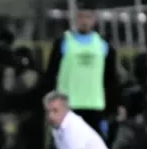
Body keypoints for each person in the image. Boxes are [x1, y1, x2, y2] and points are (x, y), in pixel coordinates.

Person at [43, 9, 120, 138]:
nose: (84, 21)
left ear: (94, 20)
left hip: (95, 106)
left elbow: (111, 78)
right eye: (80, 17)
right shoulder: (63, 42)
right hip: (67, 106)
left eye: (88, 17)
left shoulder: (103, 45)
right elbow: (51, 73)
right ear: (75, 19)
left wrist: (115, 105)